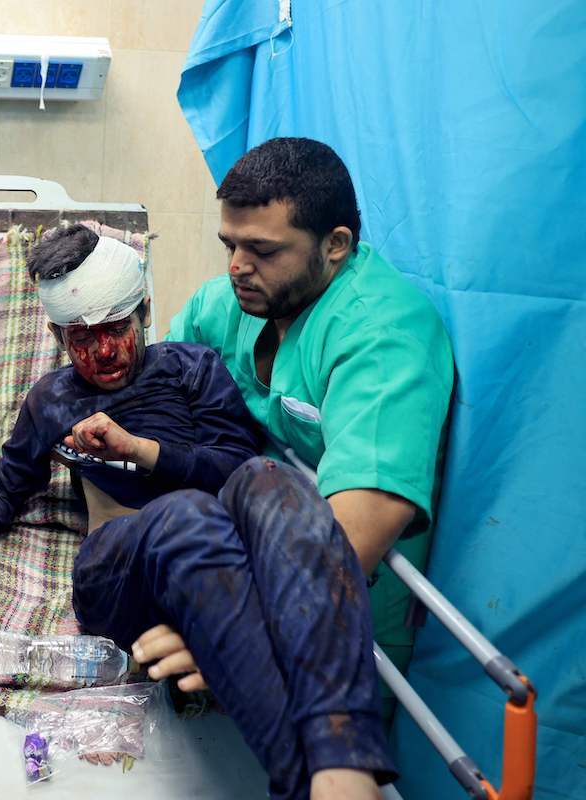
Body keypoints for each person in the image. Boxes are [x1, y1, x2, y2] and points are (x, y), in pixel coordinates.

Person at [0, 225, 396, 800]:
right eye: (80, 340)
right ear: (59, 338)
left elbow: (234, 467)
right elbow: (8, 485)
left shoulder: (193, 369)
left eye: (113, 330)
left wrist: (138, 450)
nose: (101, 352)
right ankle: (313, 780)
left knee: (271, 476)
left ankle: (338, 767)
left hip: (211, 560)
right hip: (115, 570)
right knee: (184, 516)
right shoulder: (53, 401)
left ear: (143, 313)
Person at [151, 137, 455, 723]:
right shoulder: (232, 302)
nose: (238, 266)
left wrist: (235, 620)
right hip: (249, 552)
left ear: (335, 245)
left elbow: (359, 524)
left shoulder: (384, 339)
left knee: (327, 752)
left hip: (344, 599)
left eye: (262, 249)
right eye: (230, 244)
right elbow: (161, 387)